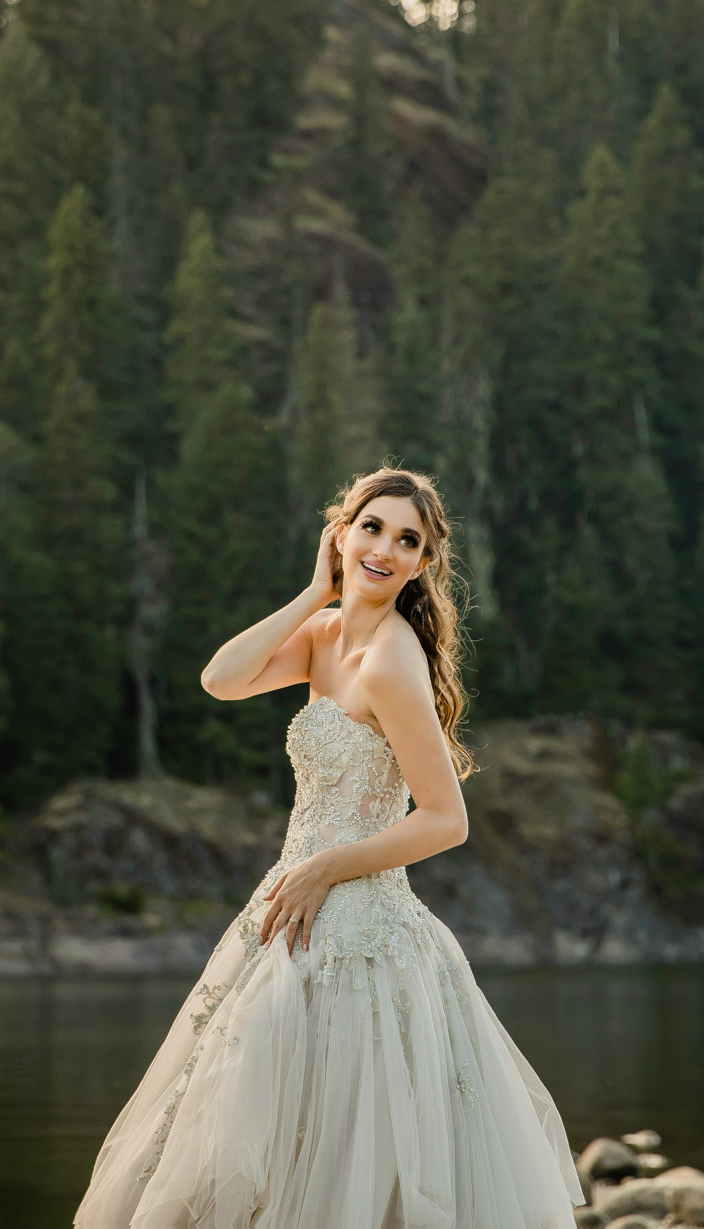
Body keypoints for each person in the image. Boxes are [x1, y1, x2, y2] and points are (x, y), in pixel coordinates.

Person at [73, 465, 586, 1228]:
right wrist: (317, 593)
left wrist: (324, 868)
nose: (384, 548)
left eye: (407, 540)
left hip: (361, 929)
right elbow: (221, 678)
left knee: (350, 1151)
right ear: (339, 532)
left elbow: (446, 819)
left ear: (422, 564)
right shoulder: (321, 635)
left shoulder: (392, 659)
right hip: (291, 915)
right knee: (263, 1132)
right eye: (371, 527)